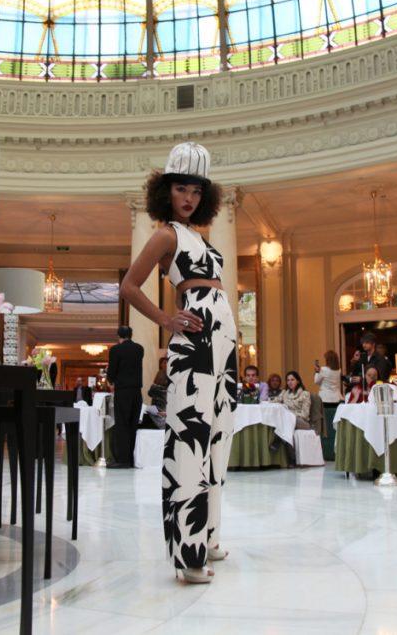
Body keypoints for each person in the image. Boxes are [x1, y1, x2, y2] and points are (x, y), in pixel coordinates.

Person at [118, 141, 236, 584]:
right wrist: (166, 319)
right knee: (190, 440)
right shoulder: (166, 234)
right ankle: (188, 556)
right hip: (195, 344)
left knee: (218, 438)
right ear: (164, 191)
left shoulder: (198, 237)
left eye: (196, 190)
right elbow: (129, 286)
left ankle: (208, 538)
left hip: (222, 344)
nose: (189, 197)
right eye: (181, 188)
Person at [107, 325, 144, 468]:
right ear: (131, 335)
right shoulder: (139, 349)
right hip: (137, 391)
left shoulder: (116, 350)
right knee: (132, 425)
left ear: (119, 336)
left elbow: (112, 370)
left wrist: (110, 380)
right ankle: (131, 458)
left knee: (122, 425)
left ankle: (123, 460)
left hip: (123, 391)